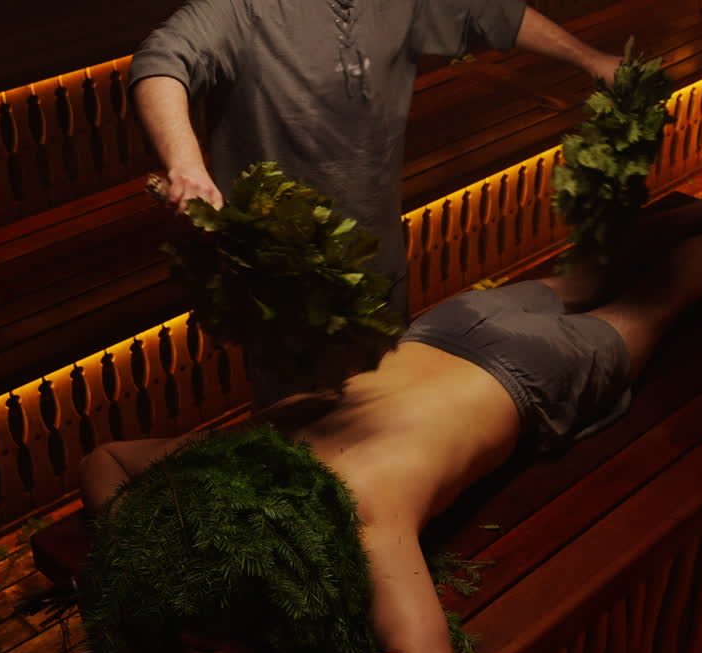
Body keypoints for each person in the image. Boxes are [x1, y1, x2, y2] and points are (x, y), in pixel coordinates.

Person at [78, 179, 702, 653]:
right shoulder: (258, 439)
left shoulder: (362, 513)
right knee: (582, 277)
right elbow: (106, 459)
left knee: (655, 309)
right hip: (450, 326)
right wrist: (145, 560)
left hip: (533, 375)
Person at [128, 0, 623, 405]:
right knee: (309, 443)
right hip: (284, 287)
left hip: (378, 261)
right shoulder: (244, 9)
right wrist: (185, 163)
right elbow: (162, 60)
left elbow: (490, 14)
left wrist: (591, 59)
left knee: (386, 409)